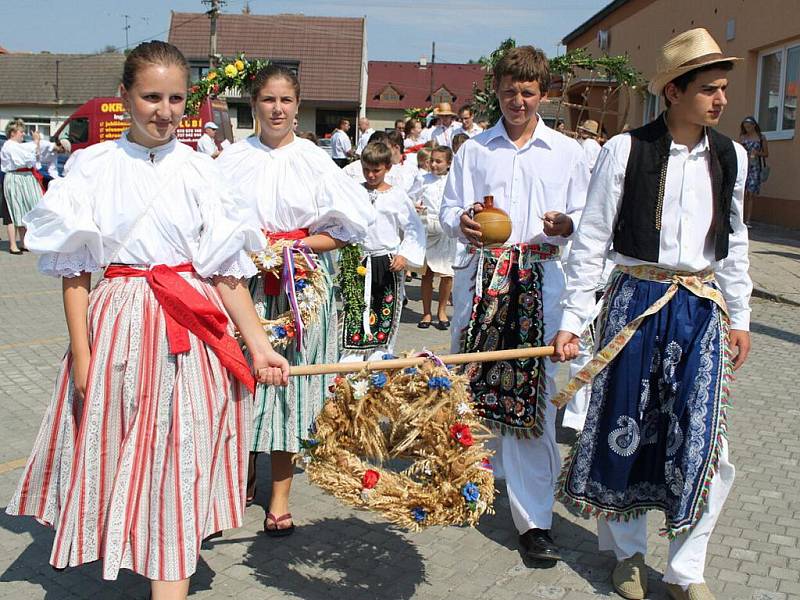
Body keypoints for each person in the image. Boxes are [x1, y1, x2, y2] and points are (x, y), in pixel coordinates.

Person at [5, 41, 290, 599]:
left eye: (177, 99)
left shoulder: (203, 171)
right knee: (124, 458)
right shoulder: (93, 166)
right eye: (152, 97)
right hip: (120, 331)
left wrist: (258, 346)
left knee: (181, 459)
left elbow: (226, 271)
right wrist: (83, 358)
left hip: (192, 332)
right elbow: (76, 272)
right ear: (125, 97)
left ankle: (169, 573)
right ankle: (130, 537)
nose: (165, 110)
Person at [551, 28, 751, 600]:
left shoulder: (730, 156)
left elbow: (734, 241)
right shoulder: (625, 150)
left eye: (722, 89)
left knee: (705, 440)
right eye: (708, 90)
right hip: (636, 300)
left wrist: (740, 314)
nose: (720, 100)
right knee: (625, 431)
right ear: (673, 90)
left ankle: (687, 570)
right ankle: (628, 556)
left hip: (701, 310)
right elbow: (591, 239)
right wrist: (572, 319)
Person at [440, 45, 589, 563]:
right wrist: (460, 221)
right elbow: (446, 210)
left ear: (542, 94)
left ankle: (534, 523)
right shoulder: (475, 150)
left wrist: (565, 226)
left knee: (535, 403)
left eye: (527, 92)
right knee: (471, 388)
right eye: (508, 91)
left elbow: (586, 221)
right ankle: (464, 485)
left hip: (542, 283)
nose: (517, 100)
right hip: (484, 282)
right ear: (496, 92)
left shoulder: (568, 153)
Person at [216, 64, 375, 537]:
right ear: (254, 104)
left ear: (297, 105)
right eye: (268, 100)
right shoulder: (230, 160)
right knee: (239, 383)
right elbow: (211, 230)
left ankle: (279, 497)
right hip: (243, 286)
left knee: (288, 387)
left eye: (286, 100)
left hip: (302, 289)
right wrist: (254, 251)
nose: (277, 109)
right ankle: (235, 484)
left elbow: (346, 233)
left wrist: (294, 247)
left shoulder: (316, 160)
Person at [339, 142, 425, 361]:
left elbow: (414, 227)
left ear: (387, 167)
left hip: (387, 261)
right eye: (366, 169)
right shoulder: (354, 191)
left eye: (376, 170)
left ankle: (380, 358)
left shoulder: (397, 196)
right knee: (356, 309)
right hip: (359, 261)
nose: (370, 174)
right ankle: (352, 360)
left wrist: (404, 255)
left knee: (385, 309)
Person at [413, 146, 457, 329]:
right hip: (427, 228)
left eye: (438, 161)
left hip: (446, 229)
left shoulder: (453, 180)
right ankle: (426, 313)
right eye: (432, 160)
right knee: (427, 273)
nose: (433, 164)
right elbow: (410, 197)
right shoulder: (422, 179)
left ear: (448, 164)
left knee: (447, 273)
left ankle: (442, 311)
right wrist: (415, 206)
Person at [1, 119, 44, 254]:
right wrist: (36, 142)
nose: (23, 134)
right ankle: (13, 245)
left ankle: (23, 242)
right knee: (13, 211)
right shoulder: (9, 145)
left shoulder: (19, 145)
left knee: (25, 211)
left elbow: (33, 156)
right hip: (15, 179)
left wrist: (36, 144)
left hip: (25, 178)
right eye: (21, 131)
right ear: (13, 132)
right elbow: (22, 157)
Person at [739, 115, 768, 226]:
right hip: (744, 166)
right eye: (745, 127)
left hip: (755, 167)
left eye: (749, 126)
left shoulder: (761, 138)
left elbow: (766, 153)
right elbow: (739, 151)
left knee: (750, 193)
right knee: (742, 192)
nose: (747, 129)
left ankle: (748, 219)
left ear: (754, 126)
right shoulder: (743, 137)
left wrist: (757, 153)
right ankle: (740, 218)